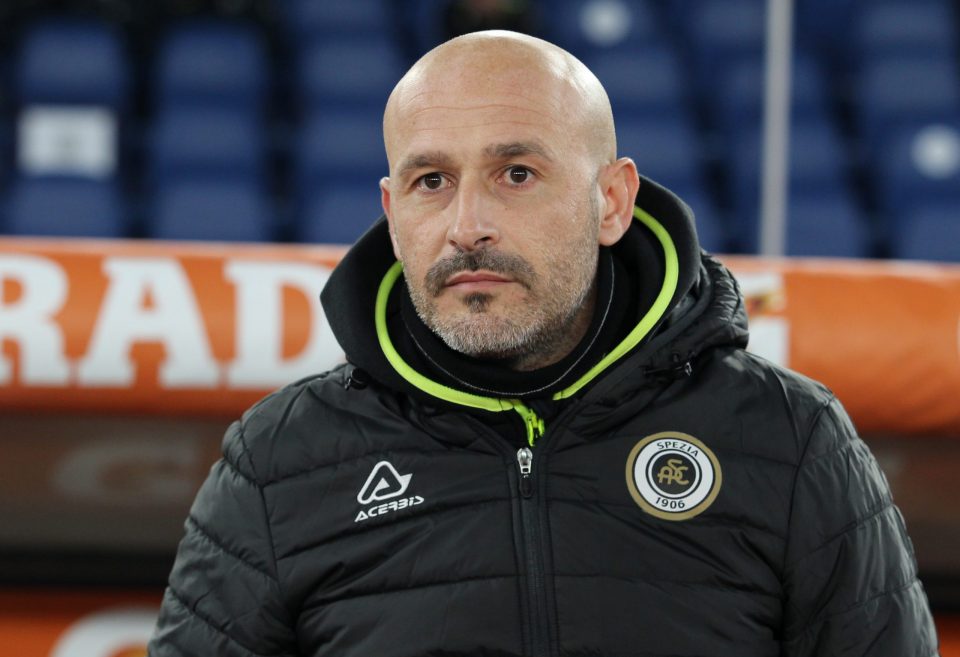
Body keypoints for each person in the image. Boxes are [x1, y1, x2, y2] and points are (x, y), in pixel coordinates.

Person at [148, 30, 939, 656]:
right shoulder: (280, 461)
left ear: (613, 201)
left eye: (516, 173)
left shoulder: (790, 440)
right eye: (431, 182)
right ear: (392, 213)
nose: (466, 226)